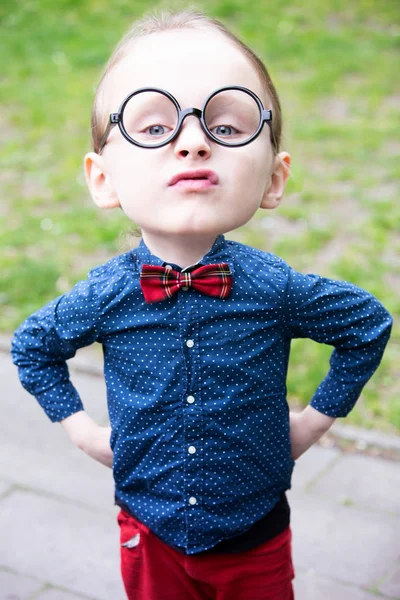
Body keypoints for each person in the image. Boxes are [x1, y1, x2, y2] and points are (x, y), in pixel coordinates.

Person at [11, 7, 393, 600]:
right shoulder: (105, 296)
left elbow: (368, 323)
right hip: (148, 525)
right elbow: (34, 346)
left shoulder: (275, 289)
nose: (192, 142)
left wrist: (313, 422)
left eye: (229, 126)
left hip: (256, 531)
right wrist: (83, 431)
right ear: (103, 179)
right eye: (155, 126)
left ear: (273, 178)